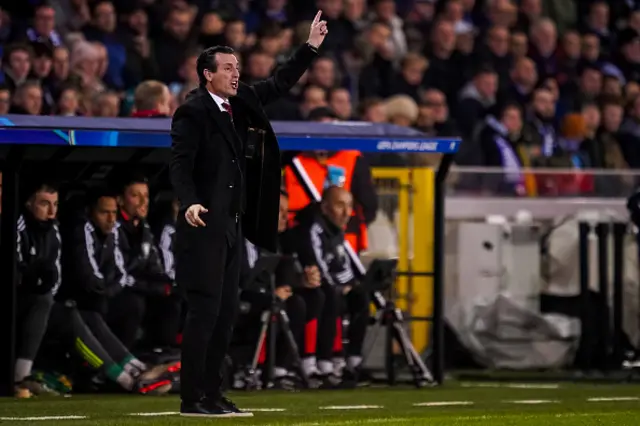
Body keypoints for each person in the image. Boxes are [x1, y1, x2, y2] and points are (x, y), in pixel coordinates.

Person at [169, 10, 328, 418]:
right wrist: (189, 203)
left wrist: (309, 47)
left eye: (238, 67)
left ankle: (214, 393)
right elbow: (180, 164)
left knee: (224, 315)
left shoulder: (240, 104)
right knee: (204, 313)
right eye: (227, 68)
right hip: (203, 225)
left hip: (231, 227)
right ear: (207, 75)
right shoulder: (193, 111)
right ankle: (192, 399)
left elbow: (280, 81)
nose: (235, 74)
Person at [291, 186, 370, 386]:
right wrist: (339, 285)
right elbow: (317, 267)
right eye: (340, 205)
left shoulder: (337, 232)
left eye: (349, 206)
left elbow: (343, 266)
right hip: (308, 288)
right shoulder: (313, 228)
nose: (346, 212)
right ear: (325, 208)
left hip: (331, 288)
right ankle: (323, 363)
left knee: (361, 296)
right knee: (327, 294)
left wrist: (350, 285)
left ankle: (352, 362)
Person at [13, 182, 61, 397]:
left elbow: (56, 275)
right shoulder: (18, 225)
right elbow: (16, 274)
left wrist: (45, 284)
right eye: (44, 204)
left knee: (72, 316)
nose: (51, 211)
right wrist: (36, 279)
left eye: (55, 204)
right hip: (17, 299)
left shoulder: (54, 231)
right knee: (43, 301)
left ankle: (126, 373)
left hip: (39, 300)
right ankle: (20, 379)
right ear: (29, 203)